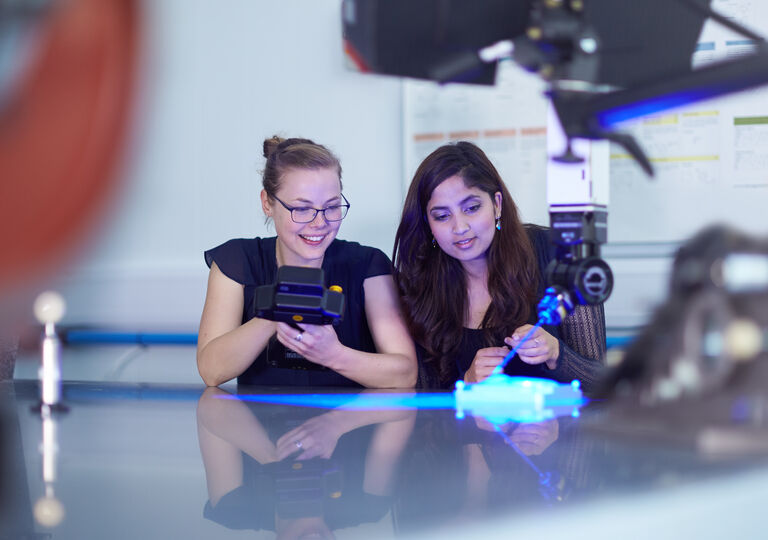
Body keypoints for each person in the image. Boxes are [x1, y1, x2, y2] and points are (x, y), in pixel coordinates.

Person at [197, 136, 417, 388]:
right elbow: (211, 371)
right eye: (302, 209)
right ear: (267, 203)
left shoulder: (368, 265)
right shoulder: (237, 260)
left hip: (350, 424)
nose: (319, 222)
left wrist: (334, 355)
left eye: (332, 207)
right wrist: (276, 313)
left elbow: (405, 373)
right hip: (257, 424)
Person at [392, 141, 605, 392]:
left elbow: (603, 383)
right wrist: (465, 385)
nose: (459, 227)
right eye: (442, 216)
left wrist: (556, 354)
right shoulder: (417, 284)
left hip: (555, 427)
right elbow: (421, 408)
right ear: (427, 223)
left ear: (497, 204)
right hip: (467, 431)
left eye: (471, 208)